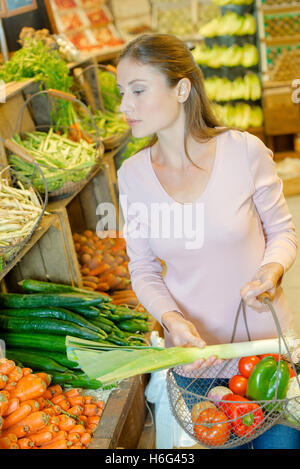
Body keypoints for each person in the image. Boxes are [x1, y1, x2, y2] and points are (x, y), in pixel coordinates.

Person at [115, 33, 299, 449]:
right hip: (196, 362)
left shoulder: (244, 152)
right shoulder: (133, 175)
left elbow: (283, 232)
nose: (125, 106)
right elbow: (142, 269)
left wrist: (271, 270)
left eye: (138, 91)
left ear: (181, 89)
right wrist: (172, 320)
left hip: (265, 351)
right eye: (122, 93)